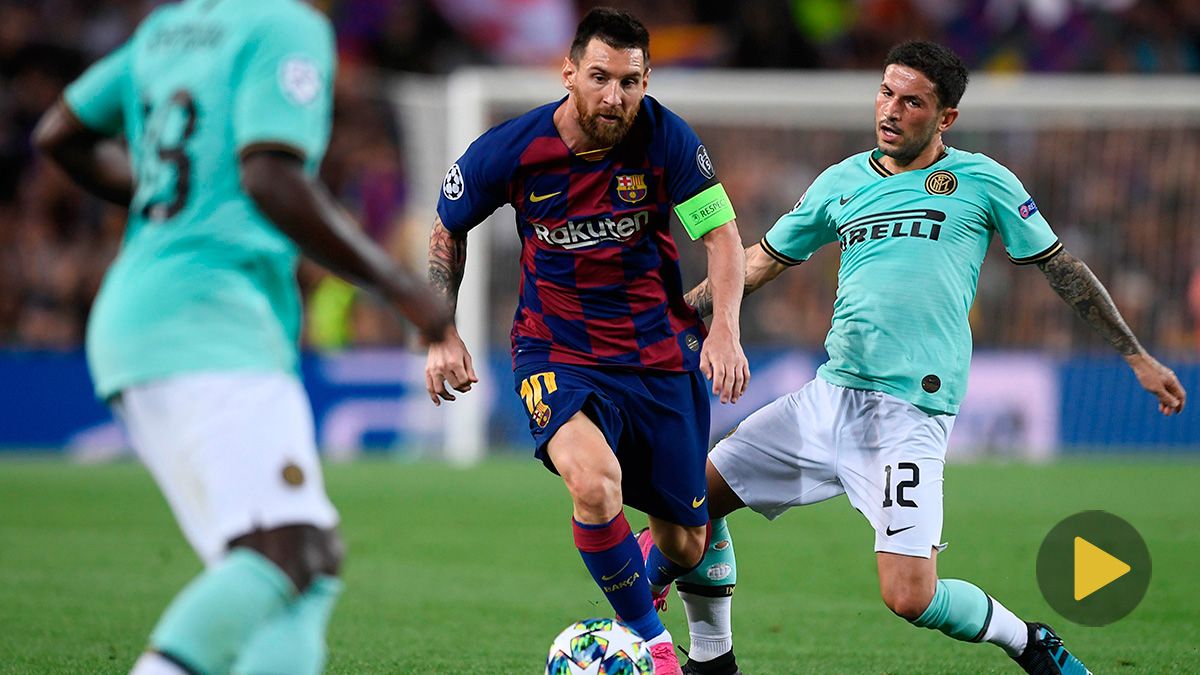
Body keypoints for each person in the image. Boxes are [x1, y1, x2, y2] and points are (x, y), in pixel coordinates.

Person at [673, 40, 1186, 674]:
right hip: (828, 397)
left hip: (908, 415)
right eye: (886, 93)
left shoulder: (983, 180)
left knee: (910, 597)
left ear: (946, 117)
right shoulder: (842, 181)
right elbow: (758, 263)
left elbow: (1063, 270)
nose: (891, 110)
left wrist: (1136, 356)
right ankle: (712, 659)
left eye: (912, 102)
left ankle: (1029, 641)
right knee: (684, 502)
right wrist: (674, 316)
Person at [33, 1, 452, 673]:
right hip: (205, 317)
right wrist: (398, 284)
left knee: (299, 576)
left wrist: (168, 193)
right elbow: (268, 174)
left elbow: (60, 133)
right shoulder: (284, 24)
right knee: (288, 549)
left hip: (153, 311)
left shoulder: (169, 30)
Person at [423, 8, 749, 673]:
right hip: (557, 351)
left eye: (630, 82)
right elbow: (446, 228)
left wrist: (724, 328)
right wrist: (440, 331)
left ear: (645, 81)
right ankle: (653, 647)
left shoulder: (667, 139)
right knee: (595, 486)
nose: (614, 96)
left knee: (686, 545)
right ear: (568, 72)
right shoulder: (511, 149)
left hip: (659, 356)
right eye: (600, 77)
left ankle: (640, 566)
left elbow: (720, 237)